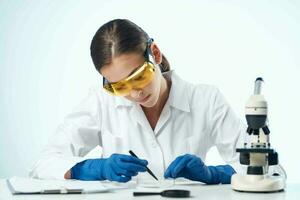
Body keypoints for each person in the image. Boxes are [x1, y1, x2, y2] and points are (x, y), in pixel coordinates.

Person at [30, 19, 244, 184]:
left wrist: (213, 174)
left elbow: (266, 170)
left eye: (139, 76)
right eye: (120, 86)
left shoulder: (206, 100)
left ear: (155, 54)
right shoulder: (101, 101)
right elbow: (45, 163)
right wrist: (93, 168)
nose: (135, 94)